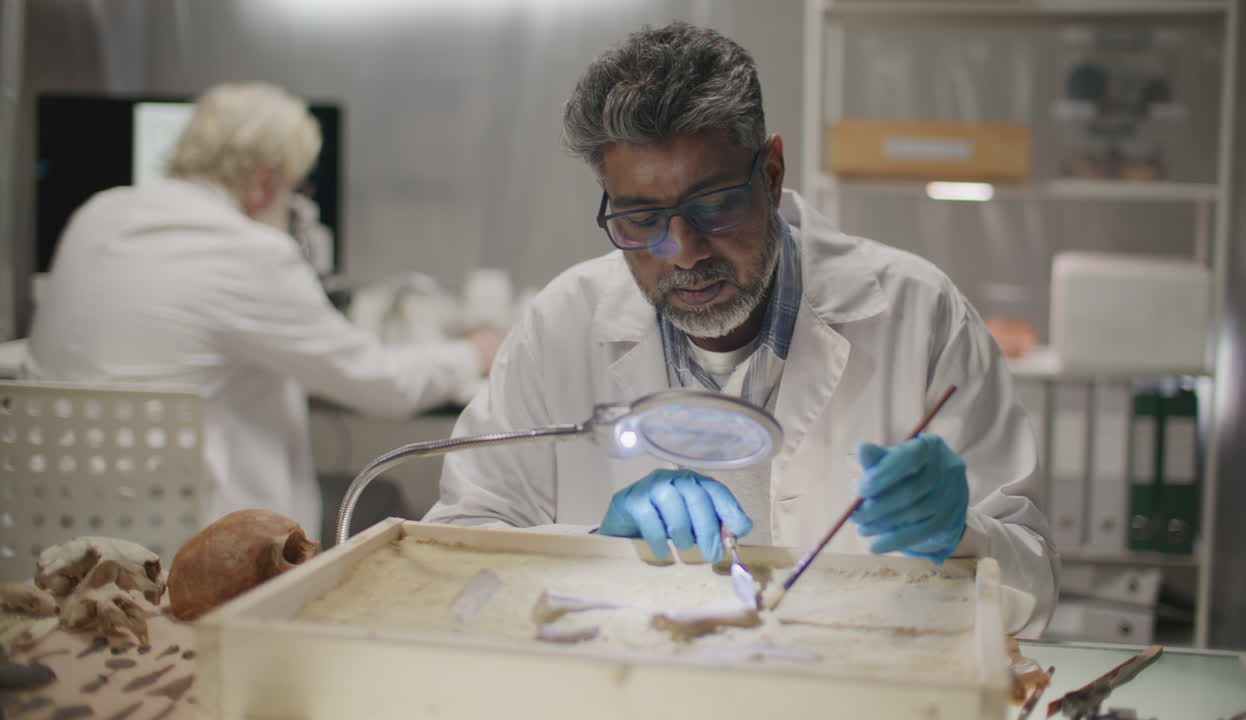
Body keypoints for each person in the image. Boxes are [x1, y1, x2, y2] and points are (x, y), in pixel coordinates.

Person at [426, 23, 1058, 632]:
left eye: (714, 206)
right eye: (642, 217)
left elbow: (1035, 592)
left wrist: (961, 535)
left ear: (772, 174)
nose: (684, 250)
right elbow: (455, 557)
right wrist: (597, 546)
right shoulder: (561, 325)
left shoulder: (919, 315)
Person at [24, 82, 503, 541]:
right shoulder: (250, 253)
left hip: (60, 533)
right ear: (263, 182)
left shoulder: (96, 215)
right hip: (197, 552)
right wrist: (471, 353)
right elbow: (381, 385)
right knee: (383, 503)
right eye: (294, 189)